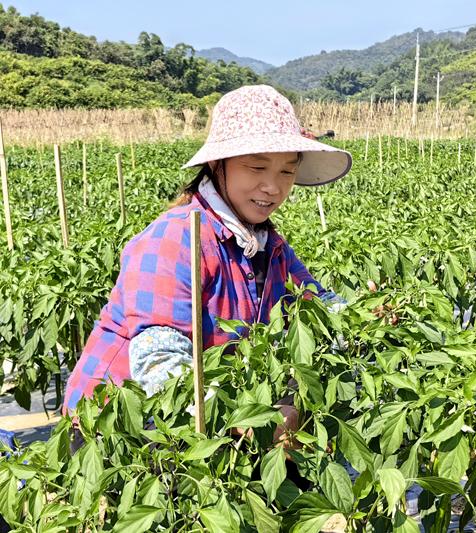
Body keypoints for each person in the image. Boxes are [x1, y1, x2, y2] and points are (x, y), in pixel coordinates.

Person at [62, 85, 352, 446]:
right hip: (114, 428)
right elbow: (160, 360)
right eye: (257, 167)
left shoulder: (268, 245)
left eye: (286, 172)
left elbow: (319, 304)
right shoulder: (175, 237)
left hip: (204, 421)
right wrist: (244, 418)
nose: (273, 187)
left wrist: (365, 319)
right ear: (218, 166)